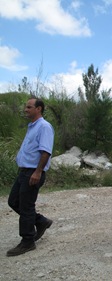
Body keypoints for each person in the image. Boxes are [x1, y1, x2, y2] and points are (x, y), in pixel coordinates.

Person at [7, 97, 54, 257]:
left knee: (26, 207)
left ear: (38, 109)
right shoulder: (32, 126)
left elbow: (46, 151)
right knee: (13, 201)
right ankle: (40, 221)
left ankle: (27, 241)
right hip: (24, 172)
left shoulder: (44, 127)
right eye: (26, 107)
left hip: (33, 172)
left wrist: (37, 172)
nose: (25, 109)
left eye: (29, 107)